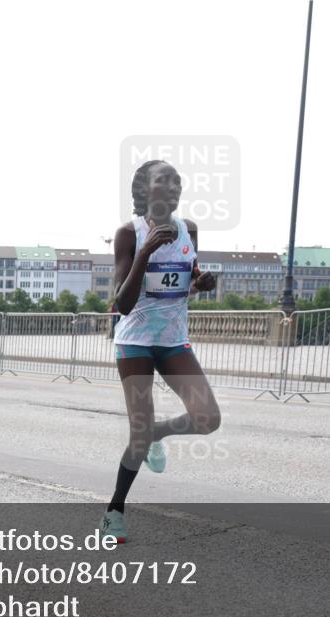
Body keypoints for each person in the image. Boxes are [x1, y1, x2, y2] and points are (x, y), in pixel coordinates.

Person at [99, 160, 220, 543]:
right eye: (162, 180)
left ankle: (157, 434)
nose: (172, 187)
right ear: (143, 189)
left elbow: (186, 279)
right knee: (138, 432)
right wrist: (146, 251)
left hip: (172, 340)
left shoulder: (189, 230)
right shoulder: (128, 233)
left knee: (208, 418)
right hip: (134, 341)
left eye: (177, 181)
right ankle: (114, 512)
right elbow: (123, 304)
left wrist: (201, 283)